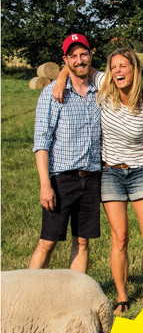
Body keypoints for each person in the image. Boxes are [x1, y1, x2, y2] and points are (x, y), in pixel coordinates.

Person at [54, 47, 143, 315]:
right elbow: (77, 66)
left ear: (134, 69)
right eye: (113, 66)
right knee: (120, 238)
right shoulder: (105, 88)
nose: (117, 70)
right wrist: (60, 80)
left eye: (123, 66)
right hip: (110, 174)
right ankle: (122, 298)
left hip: (141, 172)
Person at [30, 34, 102, 272]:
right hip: (62, 179)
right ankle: (28, 298)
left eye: (84, 54)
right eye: (73, 56)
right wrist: (45, 185)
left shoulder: (100, 92)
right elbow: (42, 142)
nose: (79, 60)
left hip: (92, 178)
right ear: (65, 60)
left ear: (91, 56)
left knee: (82, 242)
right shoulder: (52, 93)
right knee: (48, 242)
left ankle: (75, 300)